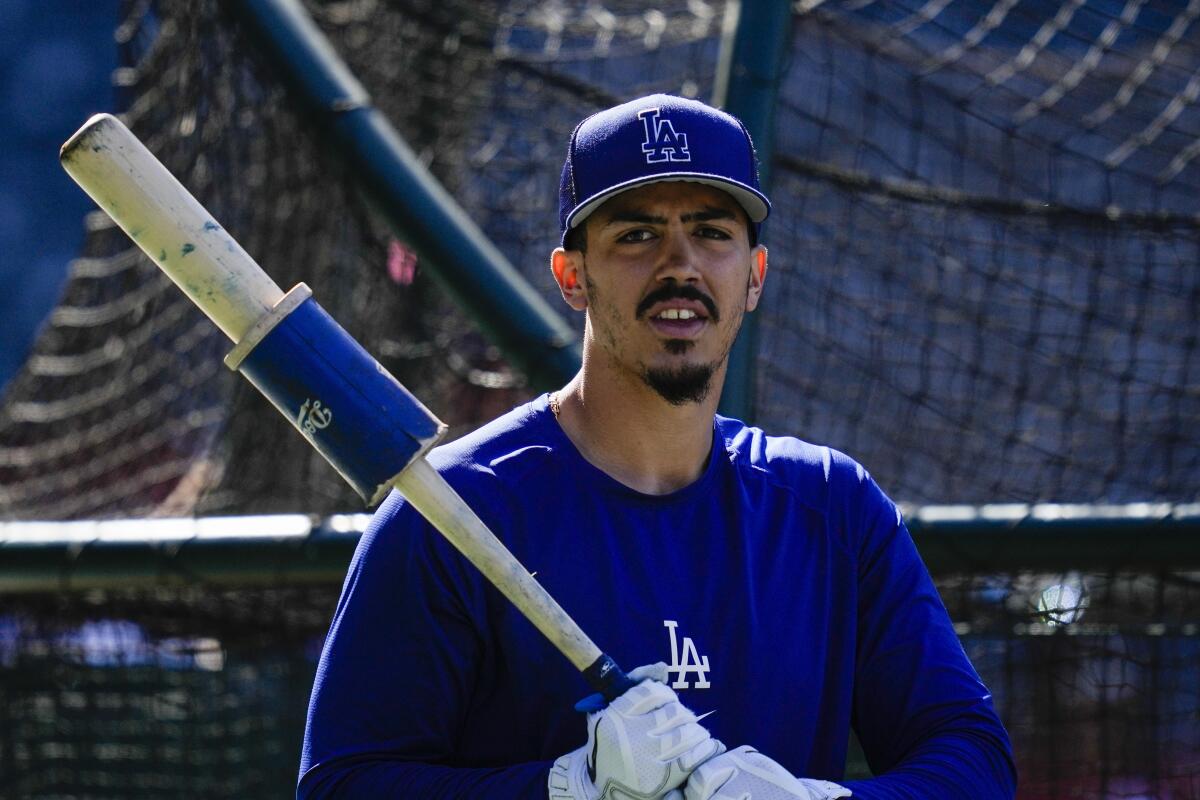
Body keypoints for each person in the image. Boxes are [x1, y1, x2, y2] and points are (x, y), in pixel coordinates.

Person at [297, 94, 1017, 799]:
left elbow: (973, 760)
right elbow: (342, 784)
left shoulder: (832, 507)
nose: (682, 266)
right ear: (573, 277)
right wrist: (563, 788)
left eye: (712, 233)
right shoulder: (455, 514)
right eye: (636, 235)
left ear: (755, 276)